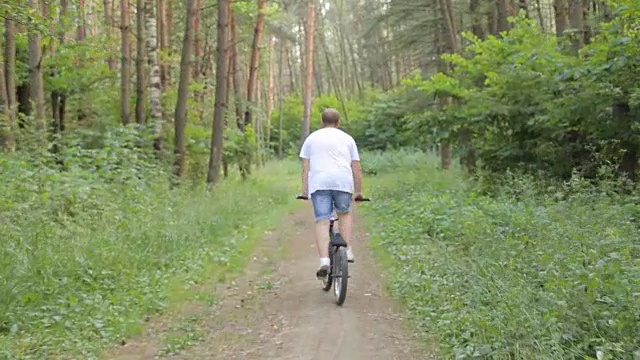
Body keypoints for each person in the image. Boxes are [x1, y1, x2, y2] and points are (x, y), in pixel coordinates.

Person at [299, 108, 363, 279]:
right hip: (342, 181)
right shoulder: (347, 138)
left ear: (322, 122)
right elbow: (356, 167)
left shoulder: (312, 138)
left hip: (319, 183)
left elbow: (306, 168)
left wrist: (305, 191)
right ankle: (347, 250)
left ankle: (324, 261)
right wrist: (358, 191)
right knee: (344, 214)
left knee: (322, 220)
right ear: (338, 122)